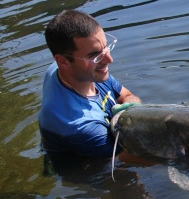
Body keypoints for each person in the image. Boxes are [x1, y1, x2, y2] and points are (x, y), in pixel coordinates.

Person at [38, 10, 141, 159]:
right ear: (63, 61)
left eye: (106, 47)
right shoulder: (79, 126)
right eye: (95, 55)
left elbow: (126, 95)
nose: (109, 59)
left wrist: (131, 107)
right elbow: (129, 158)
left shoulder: (84, 72)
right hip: (89, 167)